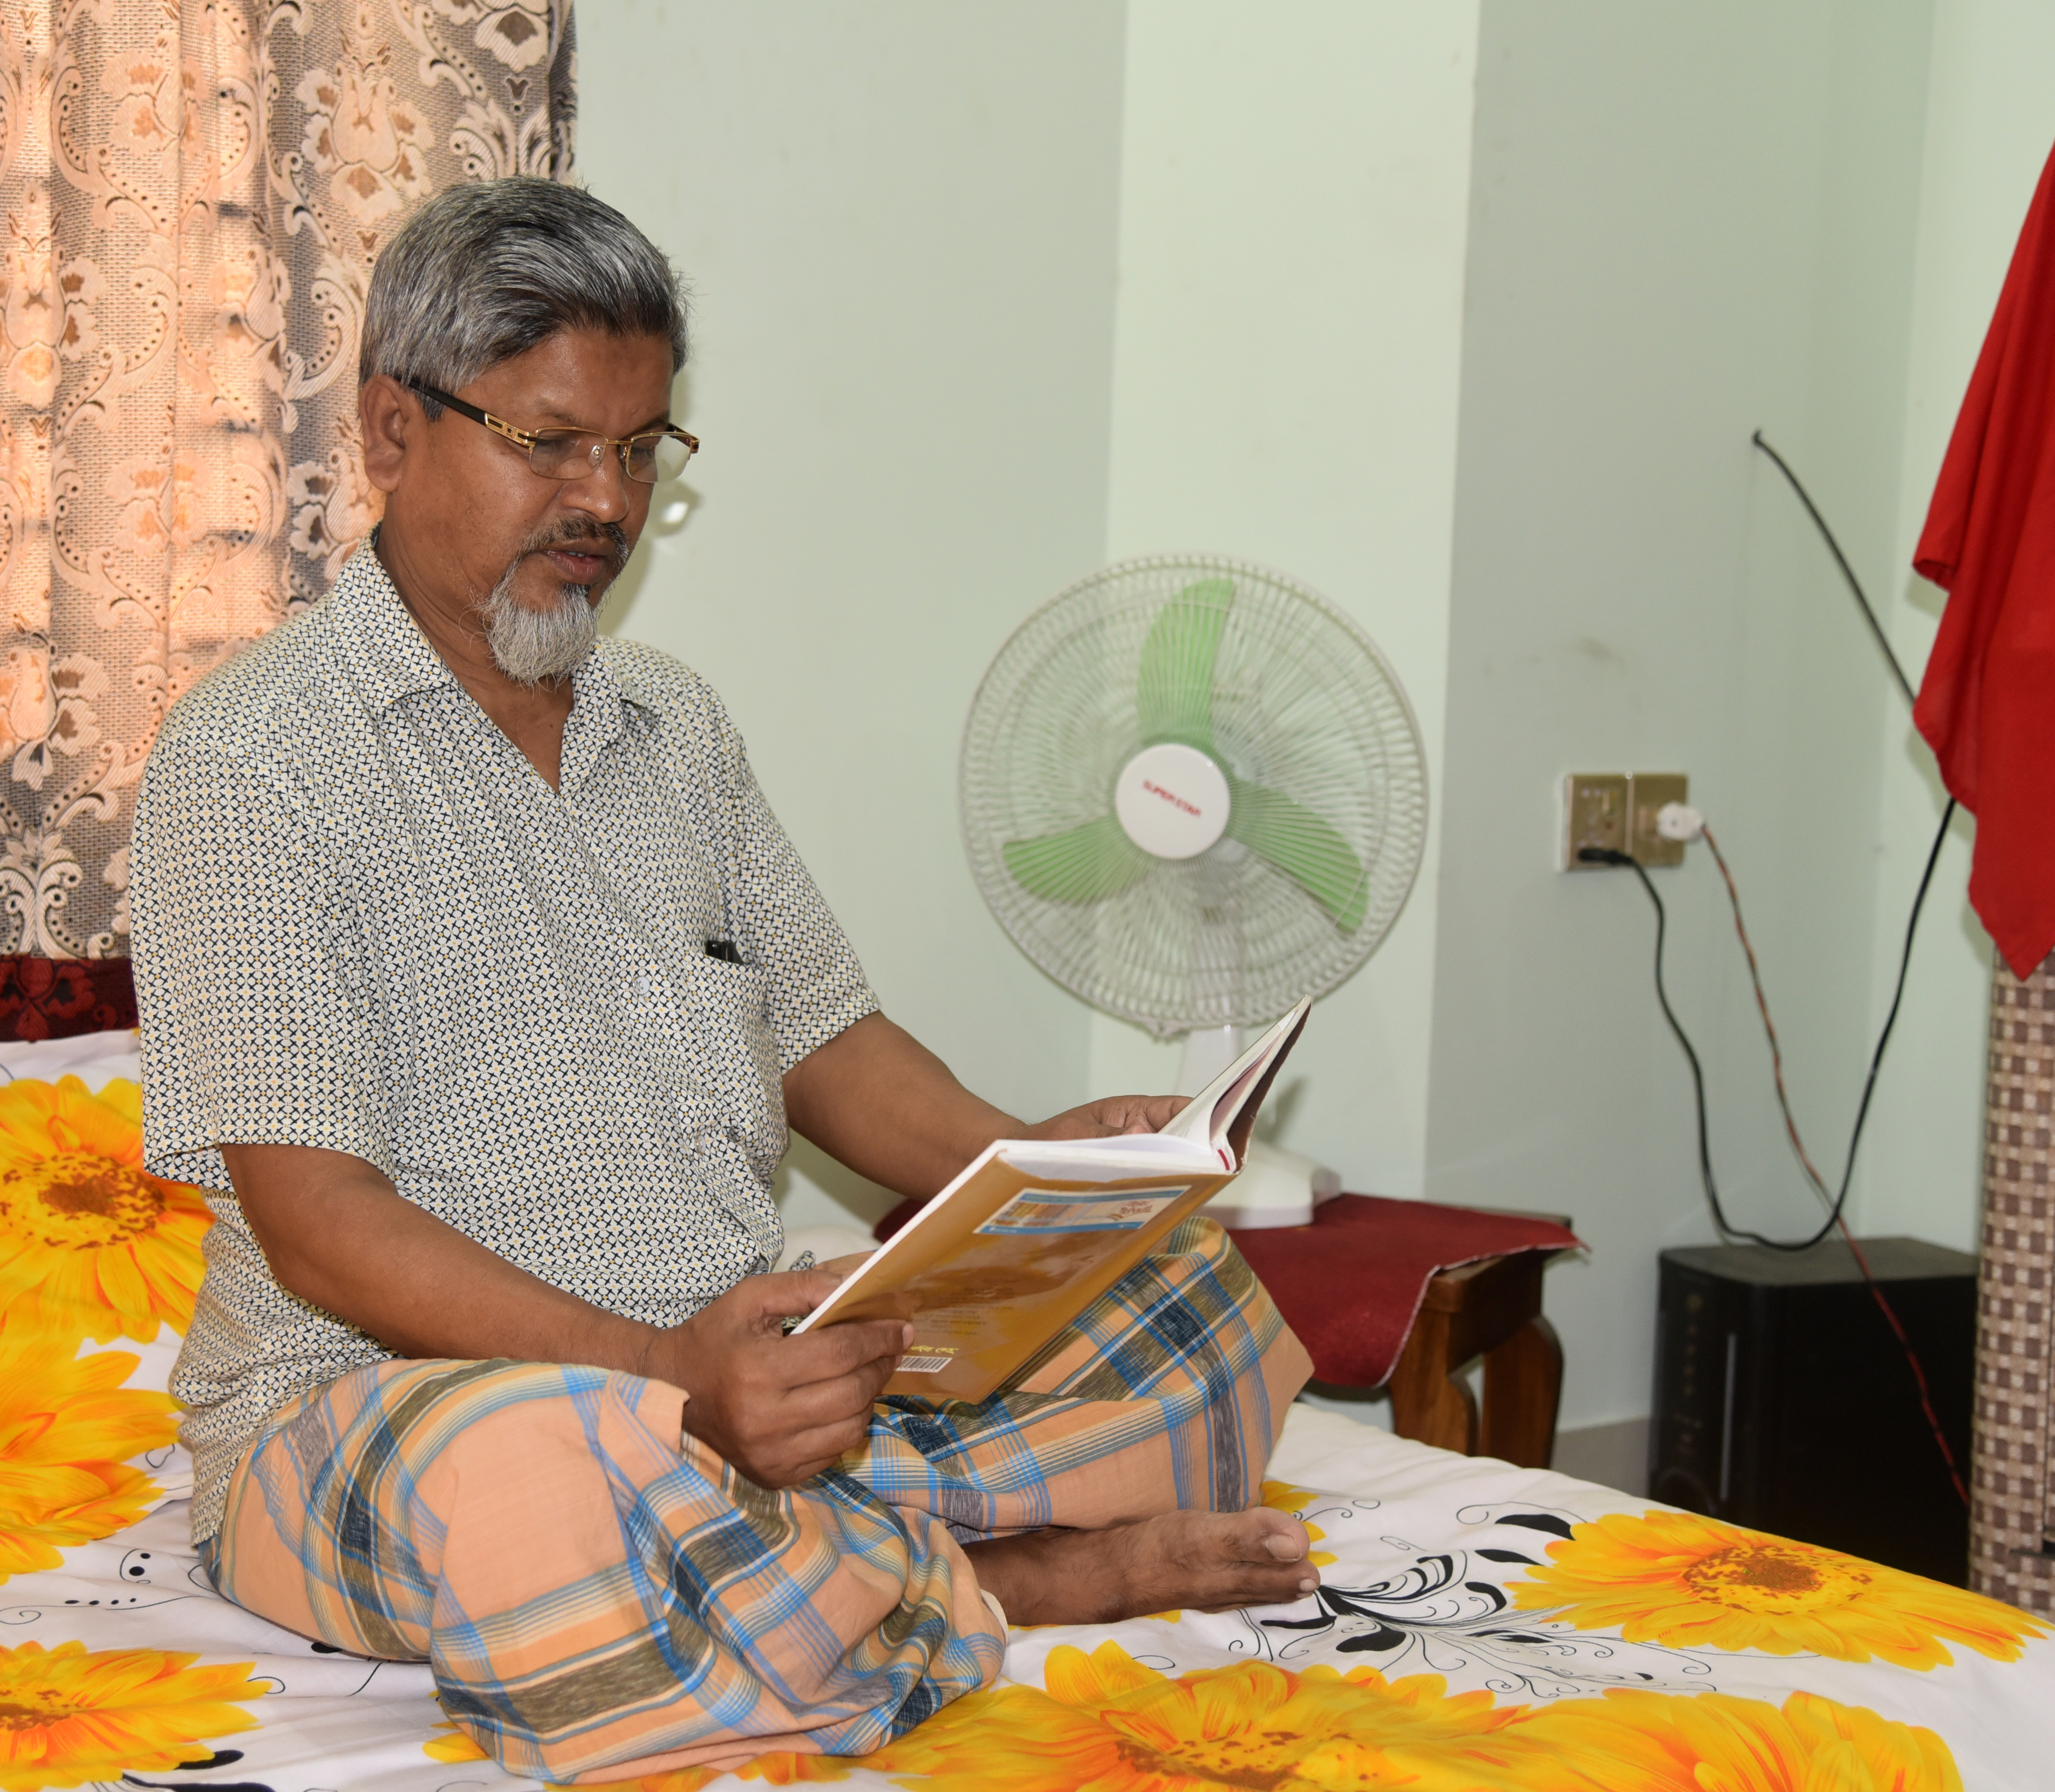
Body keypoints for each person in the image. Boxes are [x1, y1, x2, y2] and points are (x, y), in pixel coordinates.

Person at [128, 177, 1317, 1785]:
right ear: (394, 435)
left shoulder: (675, 728)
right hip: (389, 1407)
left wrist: (1041, 1180)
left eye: (638, 450)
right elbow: (317, 1226)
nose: (602, 501)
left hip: (734, 1365)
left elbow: (827, 1041)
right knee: (533, 1487)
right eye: (548, 441)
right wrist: (659, 1380)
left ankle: (812, 1554)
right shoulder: (257, 756)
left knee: (1182, 1308)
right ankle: (1009, 1580)